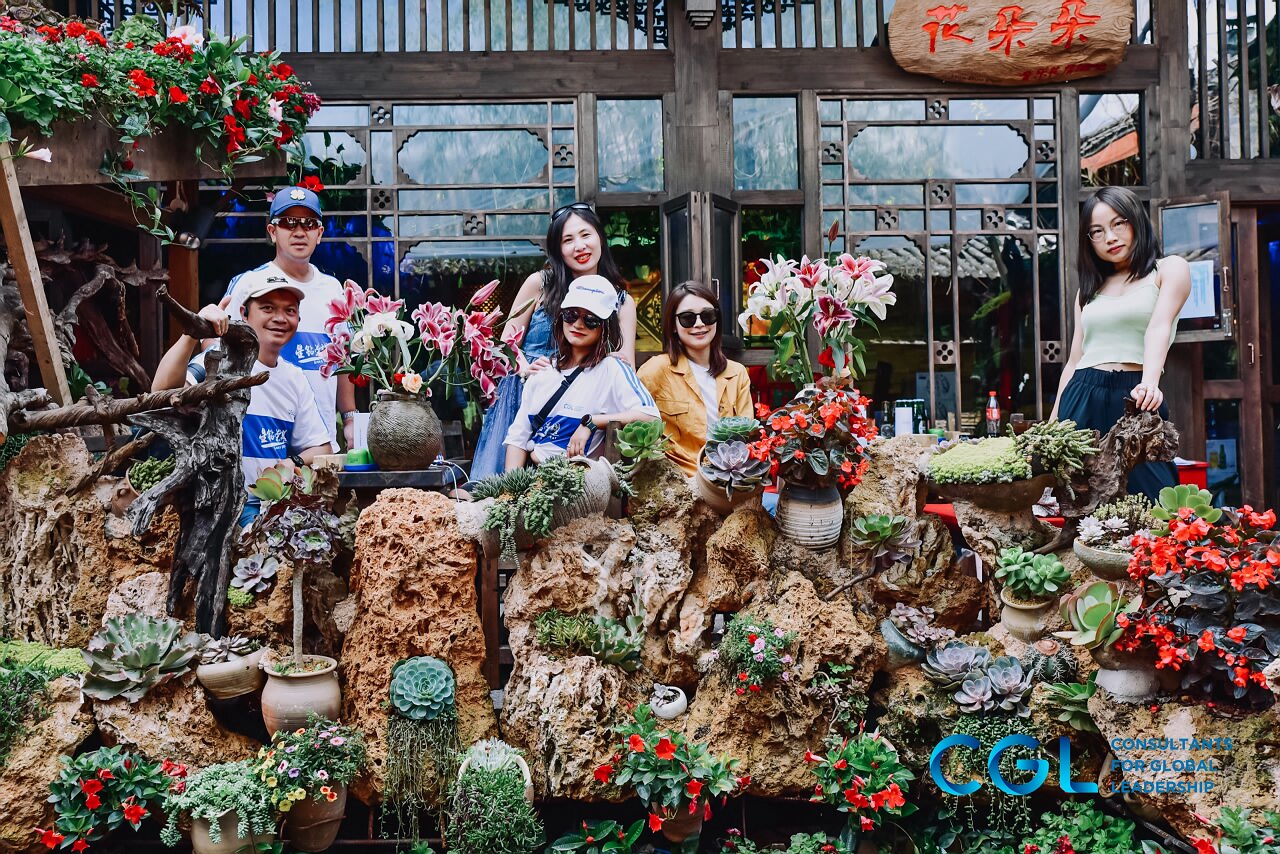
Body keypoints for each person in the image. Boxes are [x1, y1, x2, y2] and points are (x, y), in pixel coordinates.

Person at [469, 201, 637, 481]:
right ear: (557, 249)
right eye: (567, 240)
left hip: (581, 405)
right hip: (524, 394)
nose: (579, 246)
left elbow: (625, 361)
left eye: (586, 235)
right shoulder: (540, 283)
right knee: (502, 492)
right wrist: (523, 367)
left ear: (600, 238)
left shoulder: (622, 301)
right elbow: (505, 343)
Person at [153, 281, 334, 527]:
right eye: (268, 308)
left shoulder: (294, 378)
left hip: (272, 507)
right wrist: (192, 332)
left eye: (290, 311)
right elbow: (163, 392)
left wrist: (295, 462)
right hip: (216, 506)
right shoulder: (218, 358)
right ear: (244, 314)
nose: (280, 318)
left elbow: (321, 448)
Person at [1050, 186, 1191, 500]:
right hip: (1083, 392)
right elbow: (1074, 360)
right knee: (1082, 501)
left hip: (1136, 395)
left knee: (1157, 497)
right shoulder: (1089, 290)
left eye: (1118, 223)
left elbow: (1158, 327)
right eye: (1097, 232)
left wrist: (1149, 383)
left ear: (1136, 221)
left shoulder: (1169, 269)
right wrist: (1051, 424)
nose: (1110, 237)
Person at [221, 185, 356, 449]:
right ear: (272, 232)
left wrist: (350, 418)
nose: (299, 231)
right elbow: (215, 347)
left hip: (320, 444)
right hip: (262, 439)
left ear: (319, 234)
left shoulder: (334, 289)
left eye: (308, 224)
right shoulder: (249, 283)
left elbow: (344, 360)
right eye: (288, 222)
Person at [503, 276, 658, 469]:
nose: (578, 324)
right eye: (571, 315)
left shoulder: (612, 369)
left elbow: (650, 416)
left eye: (591, 320)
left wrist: (592, 422)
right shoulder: (542, 370)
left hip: (581, 485)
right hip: (533, 479)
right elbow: (518, 438)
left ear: (606, 327)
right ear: (561, 318)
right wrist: (511, 492)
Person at [637, 280, 753, 477]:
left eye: (707, 316)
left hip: (730, 480)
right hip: (678, 481)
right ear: (673, 325)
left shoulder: (737, 373)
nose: (699, 324)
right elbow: (627, 417)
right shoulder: (656, 369)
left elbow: (747, 436)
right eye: (687, 318)